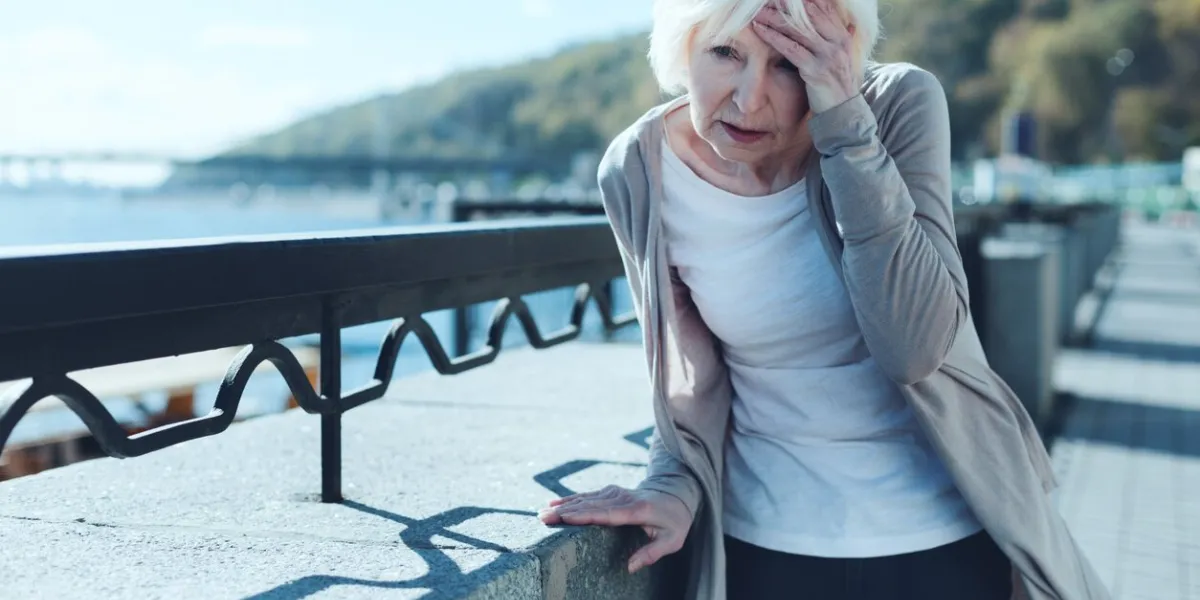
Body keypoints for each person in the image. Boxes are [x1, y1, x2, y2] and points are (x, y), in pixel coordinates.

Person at [538, 0, 1111, 598]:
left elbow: (914, 348)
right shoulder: (639, 168)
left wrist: (845, 122)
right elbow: (688, 373)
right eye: (725, 53)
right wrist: (673, 482)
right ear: (684, 47)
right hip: (764, 546)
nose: (748, 98)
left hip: (946, 537)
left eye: (788, 62)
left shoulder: (897, 106)